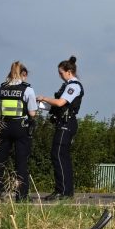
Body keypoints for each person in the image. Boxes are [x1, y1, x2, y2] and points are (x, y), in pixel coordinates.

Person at [0, 61, 38, 201]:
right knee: (21, 163)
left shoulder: (1, 88)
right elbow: (32, 112)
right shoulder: (27, 89)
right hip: (20, 127)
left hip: (3, 126)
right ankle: (21, 196)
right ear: (22, 74)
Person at [36, 56, 84, 200]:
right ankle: (66, 191)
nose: (60, 75)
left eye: (61, 73)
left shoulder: (73, 86)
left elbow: (60, 103)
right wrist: (38, 104)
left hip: (67, 123)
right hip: (63, 122)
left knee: (57, 155)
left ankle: (62, 191)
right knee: (62, 156)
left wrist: (44, 97)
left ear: (69, 71)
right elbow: (57, 106)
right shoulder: (67, 86)